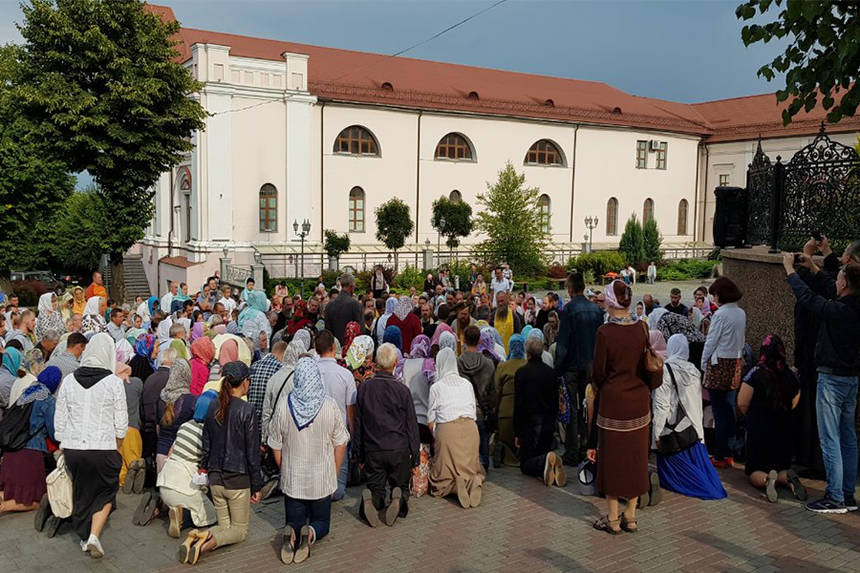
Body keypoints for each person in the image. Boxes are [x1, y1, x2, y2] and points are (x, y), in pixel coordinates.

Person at [785, 255, 860, 513]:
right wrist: (814, 267)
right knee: (848, 437)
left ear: (845, 285)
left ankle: (835, 497)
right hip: (852, 379)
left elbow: (808, 299)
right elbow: (827, 288)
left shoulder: (839, 311)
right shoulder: (852, 304)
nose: (835, 280)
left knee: (830, 438)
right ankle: (848, 495)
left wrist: (789, 271)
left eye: (839, 277)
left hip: (831, 380)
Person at [589, 280, 662, 535]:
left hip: (614, 403)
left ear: (610, 300)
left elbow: (598, 372)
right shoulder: (642, 327)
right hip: (639, 402)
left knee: (611, 459)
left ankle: (612, 518)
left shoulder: (605, 332)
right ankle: (630, 516)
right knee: (636, 458)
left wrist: (602, 388)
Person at [268, 357, 348, 564]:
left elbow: (275, 444)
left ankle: (292, 535)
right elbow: (341, 443)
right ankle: (310, 533)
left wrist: (284, 469)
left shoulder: (285, 405)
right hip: (321, 478)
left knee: (293, 520)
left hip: (293, 479)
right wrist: (334, 472)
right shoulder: (329, 406)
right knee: (322, 522)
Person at [54, 333, 127, 558]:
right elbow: (122, 425)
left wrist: (63, 442)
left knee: (82, 490)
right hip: (103, 447)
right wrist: (117, 443)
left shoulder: (68, 381)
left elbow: (59, 420)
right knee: (106, 491)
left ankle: (87, 534)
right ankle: (93, 535)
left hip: (74, 448)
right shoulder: (114, 383)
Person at [187, 362, 262, 565]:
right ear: (244, 382)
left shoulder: (213, 406)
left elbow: (206, 443)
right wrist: (256, 485)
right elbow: (252, 452)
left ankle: (198, 536)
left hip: (215, 477)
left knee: (225, 525)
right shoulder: (247, 410)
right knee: (239, 531)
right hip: (237, 478)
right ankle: (204, 545)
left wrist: (205, 468)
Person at [652, 335, 726, 500]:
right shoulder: (693, 370)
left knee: (679, 478)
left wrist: (656, 435)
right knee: (702, 472)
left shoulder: (665, 370)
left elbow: (661, 406)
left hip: (674, 433)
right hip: (693, 432)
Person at [355, 343, 419, 527]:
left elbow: (358, 424)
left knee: (376, 487)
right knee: (401, 484)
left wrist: (358, 454)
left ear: (376, 362)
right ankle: (399, 497)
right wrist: (414, 457)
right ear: (395, 363)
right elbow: (411, 426)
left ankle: (373, 500)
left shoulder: (364, 389)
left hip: (373, 449)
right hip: (398, 448)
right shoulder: (402, 390)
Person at [737, 334, 806, 503]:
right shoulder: (789, 374)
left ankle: (767, 481)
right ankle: (787, 477)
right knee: (782, 465)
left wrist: (753, 416)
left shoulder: (755, 373)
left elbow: (742, 403)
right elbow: (796, 400)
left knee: (755, 470)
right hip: (784, 431)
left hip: (760, 431)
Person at [555, 272, 603, 466]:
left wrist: (557, 368)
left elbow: (563, 342)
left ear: (570, 289)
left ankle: (572, 450)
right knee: (588, 407)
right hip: (590, 366)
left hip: (572, 367)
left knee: (572, 408)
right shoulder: (596, 310)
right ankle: (587, 446)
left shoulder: (569, 310)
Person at [427, 347, 484, 508]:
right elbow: (473, 412)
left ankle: (453, 486)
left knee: (439, 483)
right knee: (472, 470)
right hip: (471, 431)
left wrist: (437, 438)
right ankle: (473, 481)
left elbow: (431, 421)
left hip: (447, 433)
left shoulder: (436, 387)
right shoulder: (466, 384)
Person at [158, 391, 218, 539]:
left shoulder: (185, 426)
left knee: (181, 499)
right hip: (184, 487)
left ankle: (163, 506)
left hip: (165, 480)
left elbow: (171, 452)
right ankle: (182, 516)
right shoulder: (208, 433)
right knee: (211, 515)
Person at [0, 366, 60, 514]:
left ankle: (4, 502)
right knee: (36, 500)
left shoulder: (27, 392)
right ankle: (4, 507)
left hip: (12, 449)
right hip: (30, 452)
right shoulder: (48, 400)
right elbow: (54, 432)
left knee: (9, 490)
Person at [701, 277, 746, 469]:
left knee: (719, 413)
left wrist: (703, 363)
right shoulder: (741, 313)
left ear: (721, 294)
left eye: (715, 295)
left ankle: (720, 454)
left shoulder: (720, 314)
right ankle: (730, 451)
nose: (714, 298)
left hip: (718, 364)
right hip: (735, 363)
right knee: (729, 410)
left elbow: (711, 341)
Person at [514, 336, 566, 487]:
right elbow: (555, 400)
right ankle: (549, 464)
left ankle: (544, 462)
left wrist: (517, 431)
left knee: (525, 465)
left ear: (528, 353)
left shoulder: (522, 373)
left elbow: (518, 404)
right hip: (547, 422)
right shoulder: (551, 373)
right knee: (543, 450)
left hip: (529, 424)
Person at [315, 330, 356, 501]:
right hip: (339, 431)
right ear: (333, 347)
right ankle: (333, 492)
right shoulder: (345, 374)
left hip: (315, 429)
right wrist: (353, 435)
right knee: (338, 479)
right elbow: (350, 410)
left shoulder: (312, 372)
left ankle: (319, 493)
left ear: (316, 350)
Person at [457, 325, 495, 471]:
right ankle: (484, 464)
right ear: (479, 340)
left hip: (464, 409)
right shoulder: (488, 363)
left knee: (466, 442)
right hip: (482, 410)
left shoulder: (458, 362)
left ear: (464, 340)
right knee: (483, 438)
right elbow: (492, 391)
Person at [156, 359, 198, 473]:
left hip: (161, 453)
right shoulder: (192, 401)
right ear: (187, 375)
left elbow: (158, 428)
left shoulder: (161, 398)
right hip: (180, 456)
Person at [248, 340, 287, 430]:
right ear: (284, 354)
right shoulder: (280, 369)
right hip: (266, 423)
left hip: (250, 421)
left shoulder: (254, 365)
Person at [324, 274, 363, 344]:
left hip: (334, 348)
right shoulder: (355, 304)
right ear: (351, 285)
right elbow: (360, 330)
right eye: (354, 284)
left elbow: (327, 331)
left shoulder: (329, 305)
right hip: (351, 348)